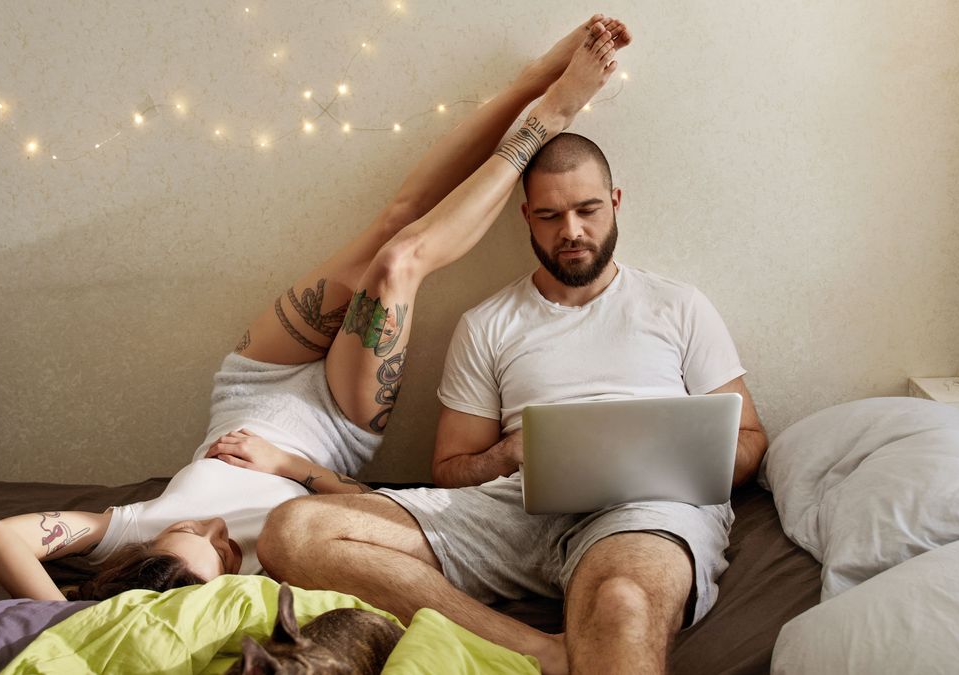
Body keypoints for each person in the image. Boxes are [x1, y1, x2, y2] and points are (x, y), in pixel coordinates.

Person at [0, 16, 628, 604]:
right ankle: (551, 114)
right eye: (221, 544)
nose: (208, 525)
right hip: (337, 423)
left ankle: (531, 81)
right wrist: (287, 468)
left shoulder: (123, 536)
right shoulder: (273, 569)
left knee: (390, 223)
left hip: (248, 380)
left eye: (185, 528)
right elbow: (385, 510)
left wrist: (66, 621)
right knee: (400, 260)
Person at [256, 137, 767, 673]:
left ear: (615, 201)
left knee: (622, 603)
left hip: (644, 509)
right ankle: (540, 651)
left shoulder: (678, 305)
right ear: (526, 216)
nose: (570, 231)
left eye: (587, 210)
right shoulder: (488, 323)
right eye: (549, 216)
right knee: (293, 531)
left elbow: (751, 439)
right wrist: (510, 454)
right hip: (516, 508)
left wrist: (669, 457)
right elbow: (450, 470)